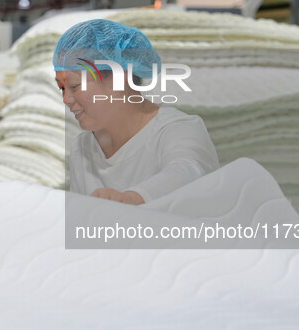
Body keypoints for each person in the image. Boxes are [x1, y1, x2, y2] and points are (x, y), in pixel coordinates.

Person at [53, 19, 220, 205]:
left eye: (74, 86)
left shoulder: (177, 130)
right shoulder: (83, 148)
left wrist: (132, 199)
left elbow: (189, 171)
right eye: (62, 88)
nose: (66, 100)